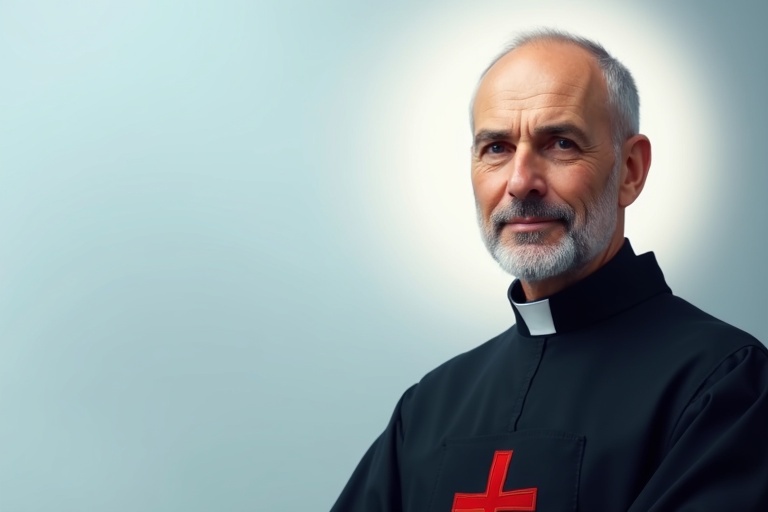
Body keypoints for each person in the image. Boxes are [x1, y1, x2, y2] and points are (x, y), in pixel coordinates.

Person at [330, 29, 768, 511]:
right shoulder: (429, 407)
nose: (521, 182)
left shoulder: (724, 384)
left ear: (630, 170)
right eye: (496, 148)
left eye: (560, 143)